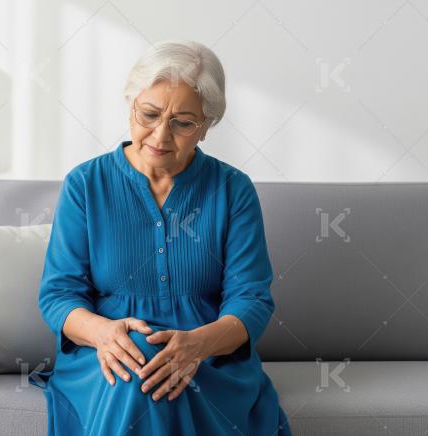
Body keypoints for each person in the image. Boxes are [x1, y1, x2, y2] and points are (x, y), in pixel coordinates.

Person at [29, 40, 291, 435]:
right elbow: (58, 295)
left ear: (207, 125)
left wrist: (197, 345)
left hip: (208, 355)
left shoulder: (233, 189)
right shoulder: (85, 184)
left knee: (156, 382)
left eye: (183, 122)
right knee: (138, 378)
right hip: (107, 354)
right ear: (130, 103)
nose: (160, 135)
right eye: (149, 114)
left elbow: (252, 300)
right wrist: (103, 333)